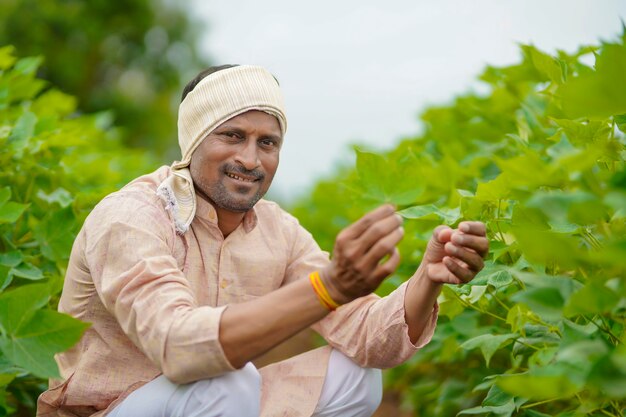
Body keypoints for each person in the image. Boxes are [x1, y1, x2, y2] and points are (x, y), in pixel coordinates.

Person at [37, 65, 488, 417]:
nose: (249, 159)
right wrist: (326, 290)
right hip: (113, 409)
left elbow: (369, 337)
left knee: (356, 375)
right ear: (193, 141)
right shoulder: (133, 217)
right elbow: (178, 348)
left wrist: (429, 279)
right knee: (225, 381)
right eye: (232, 136)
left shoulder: (278, 230)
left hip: (208, 404)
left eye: (267, 143)